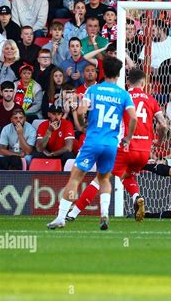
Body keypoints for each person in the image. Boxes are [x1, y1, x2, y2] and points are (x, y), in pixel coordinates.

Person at [64, 69, 167, 223]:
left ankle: (73, 213)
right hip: (144, 151)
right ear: (144, 83)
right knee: (127, 175)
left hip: (125, 147)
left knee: (100, 179)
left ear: (127, 82)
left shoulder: (123, 97)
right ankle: (136, 197)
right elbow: (163, 125)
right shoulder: (151, 100)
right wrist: (159, 141)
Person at [47, 56, 137, 230]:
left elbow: (81, 111)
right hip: (111, 144)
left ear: (101, 71)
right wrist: (128, 137)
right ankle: (104, 215)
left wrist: (81, 124)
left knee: (76, 178)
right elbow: (133, 118)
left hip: (93, 141)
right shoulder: (123, 94)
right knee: (104, 179)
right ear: (119, 74)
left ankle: (60, 217)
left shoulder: (93, 90)